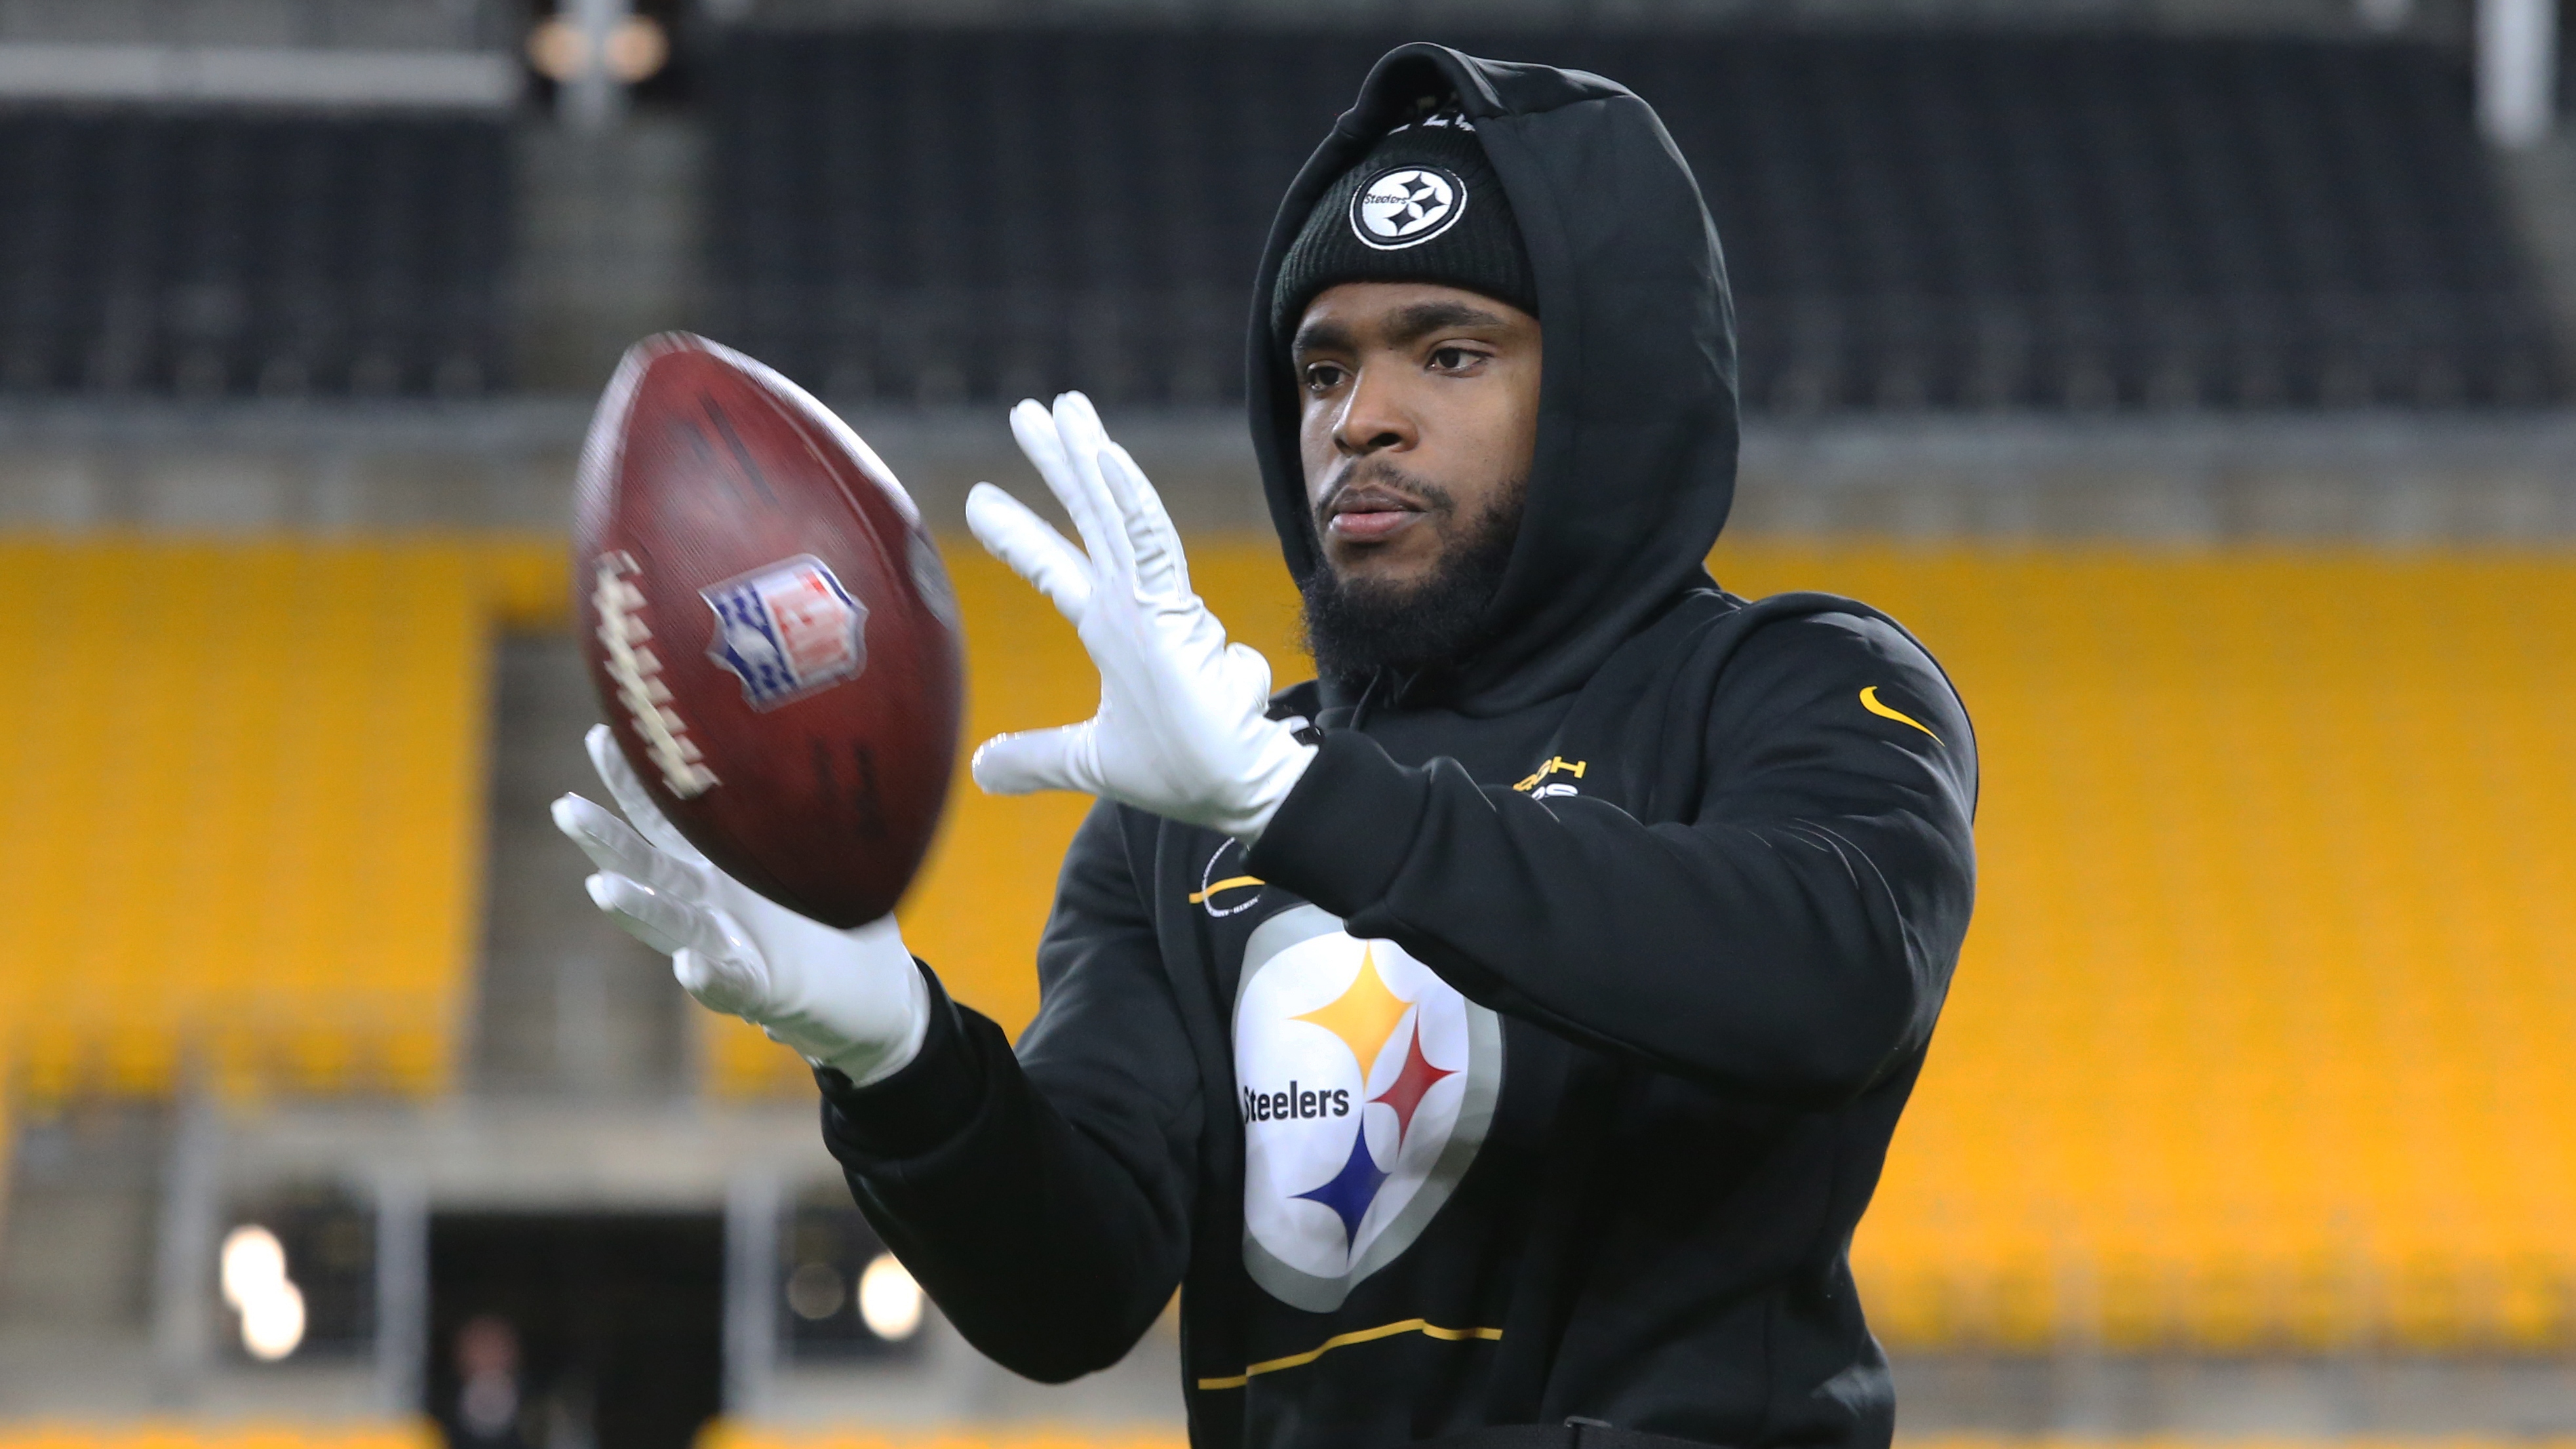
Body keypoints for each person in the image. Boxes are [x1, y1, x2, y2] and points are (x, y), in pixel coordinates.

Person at [554, 43, 1975, 1449]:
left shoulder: (1793, 682)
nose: (1362, 418)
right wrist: (896, 1054)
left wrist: (1300, 798)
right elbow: (1075, 1293)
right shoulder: (1188, 810)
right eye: (1321, 369)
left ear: (1613, 387)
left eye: (1452, 352)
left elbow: (1824, 973)